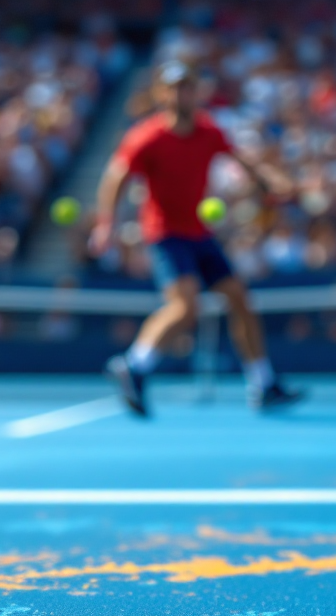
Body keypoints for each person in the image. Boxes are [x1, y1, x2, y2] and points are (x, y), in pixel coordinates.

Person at [89, 61, 304, 416]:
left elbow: (242, 162)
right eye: (173, 87)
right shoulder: (147, 137)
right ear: (161, 94)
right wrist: (105, 226)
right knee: (186, 306)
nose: (181, 94)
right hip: (164, 234)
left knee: (238, 297)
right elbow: (115, 179)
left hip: (199, 233)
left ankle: (263, 383)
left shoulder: (209, 131)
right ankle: (134, 364)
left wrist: (269, 183)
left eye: (187, 86)